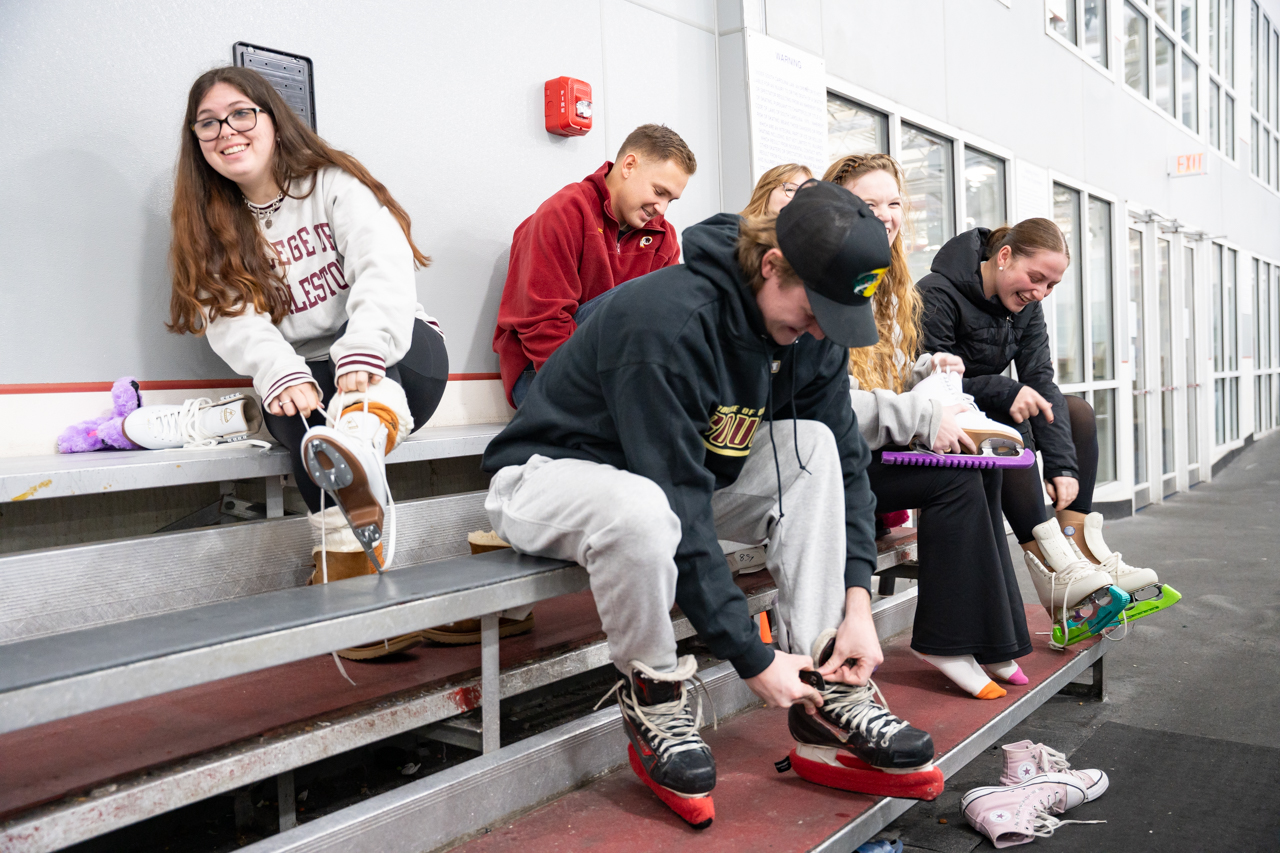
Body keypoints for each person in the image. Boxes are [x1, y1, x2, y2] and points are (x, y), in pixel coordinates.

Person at [481, 181, 942, 829]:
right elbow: (677, 504)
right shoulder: (671, 322)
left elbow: (847, 464)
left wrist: (858, 600)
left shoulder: (813, 330)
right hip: (549, 475)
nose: (818, 330)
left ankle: (826, 683)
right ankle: (656, 696)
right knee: (643, 507)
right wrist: (750, 659)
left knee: (809, 445)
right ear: (773, 264)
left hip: (673, 475)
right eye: (814, 309)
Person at [168, 67, 448, 660]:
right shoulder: (211, 224)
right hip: (311, 373)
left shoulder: (333, 183)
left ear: (273, 119)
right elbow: (234, 320)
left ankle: (363, 438)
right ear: (197, 140)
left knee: (361, 374)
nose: (227, 131)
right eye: (209, 123)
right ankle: (351, 570)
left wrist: (365, 347)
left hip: (400, 352)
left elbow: (383, 269)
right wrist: (278, 372)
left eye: (241, 114)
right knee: (296, 415)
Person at [822, 154, 1032, 698]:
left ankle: (994, 639)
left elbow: (883, 375)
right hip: (826, 461)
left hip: (866, 446)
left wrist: (927, 370)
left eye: (894, 203)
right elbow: (834, 402)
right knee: (955, 477)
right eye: (870, 204)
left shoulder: (886, 284)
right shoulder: (825, 282)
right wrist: (922, 411)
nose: (887, 214)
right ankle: (945, 638)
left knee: (978, 466)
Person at [918, 220, 1161, 632]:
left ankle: (1081, 549)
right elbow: (926, 382)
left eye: (1051, 286)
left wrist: (1063, 467)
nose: (1040, 293)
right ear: (1005, 256)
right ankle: (1053, 575)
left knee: (1077, 411)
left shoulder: (1027, 306)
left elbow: (1041, 379)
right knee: (1005, 423)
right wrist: (1003, 389)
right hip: (939, 421)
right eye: (1035, 279)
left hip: (990, 410)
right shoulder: (935, 293)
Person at [492, 124, 697, 407]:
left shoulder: (665, 239)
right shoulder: (564, 212)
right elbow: (542, 322)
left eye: (670, 200)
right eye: (659, 191)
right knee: (646, 296)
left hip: (619, 375)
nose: (662, 208)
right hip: (542, 374)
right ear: (629, 165)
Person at [739, 163, 813, 217]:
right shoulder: (733, 232)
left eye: (806, 194)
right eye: (790, 189)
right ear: (766, 193)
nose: (799, 198)